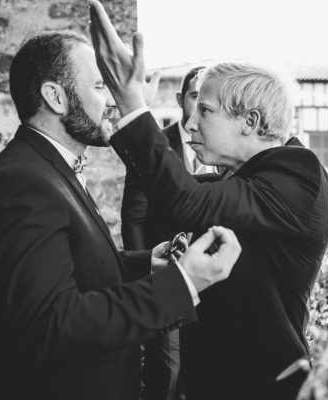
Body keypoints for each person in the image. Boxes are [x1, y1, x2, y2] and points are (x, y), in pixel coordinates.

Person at [0, 30, 241, 400]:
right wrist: (182, 283)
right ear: (56, 97)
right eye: (100, 86)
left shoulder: (47, 167)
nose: (113, 100)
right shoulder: (20, 182)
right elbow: (52, 325)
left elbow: (70, 268)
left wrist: (147, 263)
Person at [89, 3, 328, 399]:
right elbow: (174, 192)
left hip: (264, 384)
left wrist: (134, 105)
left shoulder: (298, 171)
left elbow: (186, 201)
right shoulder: (235, 177)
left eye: (205, 110)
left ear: (249, 122)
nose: (188, 124)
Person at [121, 66, 218, 400]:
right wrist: (145, 278)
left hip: (212, 282)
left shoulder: (223, 149)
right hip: (166, 276)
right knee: (167, 370)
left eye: (210, 102)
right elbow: (133, 218)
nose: (201, 108)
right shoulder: (155, 145)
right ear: (181, 99)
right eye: (196, 97)